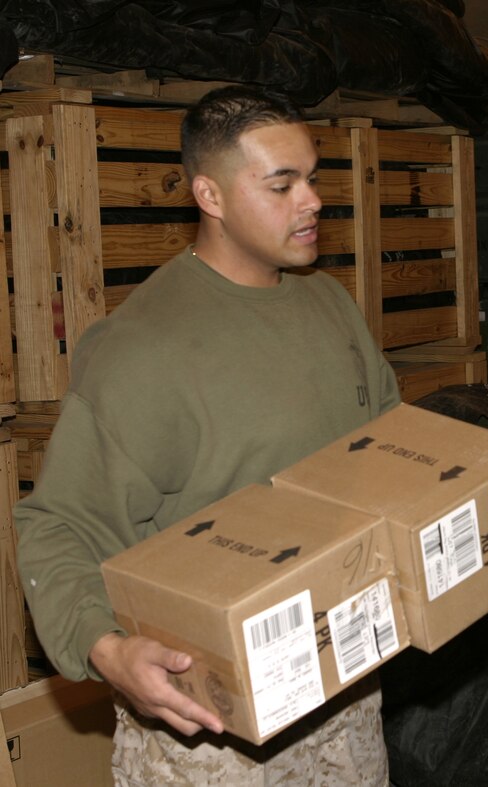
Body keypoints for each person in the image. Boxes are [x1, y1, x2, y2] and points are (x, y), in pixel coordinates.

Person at [14, 85, 401, 784]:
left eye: (312, 177)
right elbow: (57, 523)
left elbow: (388, 451)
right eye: (282, 185)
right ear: (210, 196)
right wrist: (107, 650)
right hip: (210, 729)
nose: (312, 201)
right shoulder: (145, 349)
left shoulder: (329, 304)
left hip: (342, 690)